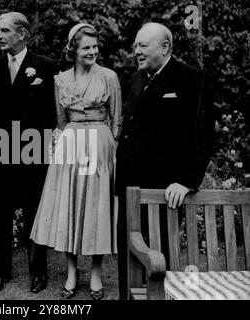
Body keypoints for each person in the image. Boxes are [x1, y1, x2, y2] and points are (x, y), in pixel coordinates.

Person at [115, 22, 215, 299]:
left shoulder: (191, 78)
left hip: (165, 192)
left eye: (142, 45)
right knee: (129, 259)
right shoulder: (135, 79)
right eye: (135, 45)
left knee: (160, 260)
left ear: (165, 47)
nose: (136, 50)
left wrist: (186, 181)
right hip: (129, 188)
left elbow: (203, 135)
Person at [30, 23, 122, 300]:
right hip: (70, 145)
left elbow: (116, 121)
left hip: (100, 144)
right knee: (69, 207)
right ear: (73, 50)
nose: (92, 51)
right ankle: (72, 271)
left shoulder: (109, 77)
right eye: (86, 47)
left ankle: (95, 273)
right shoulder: (61, 80)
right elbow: (60, 121)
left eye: (95, 47)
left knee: (96, 208)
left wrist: (110, 153)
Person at [0, 12, 57, 293]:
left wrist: (36, 142)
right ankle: (1, 272)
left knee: (35, 212)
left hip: (34, 148)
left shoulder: (46, 67)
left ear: (22, 34)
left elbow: (51, 112)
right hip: (2, 147)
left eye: (4, 31)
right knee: (2, 211)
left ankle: (39, 272)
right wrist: (4, 139)